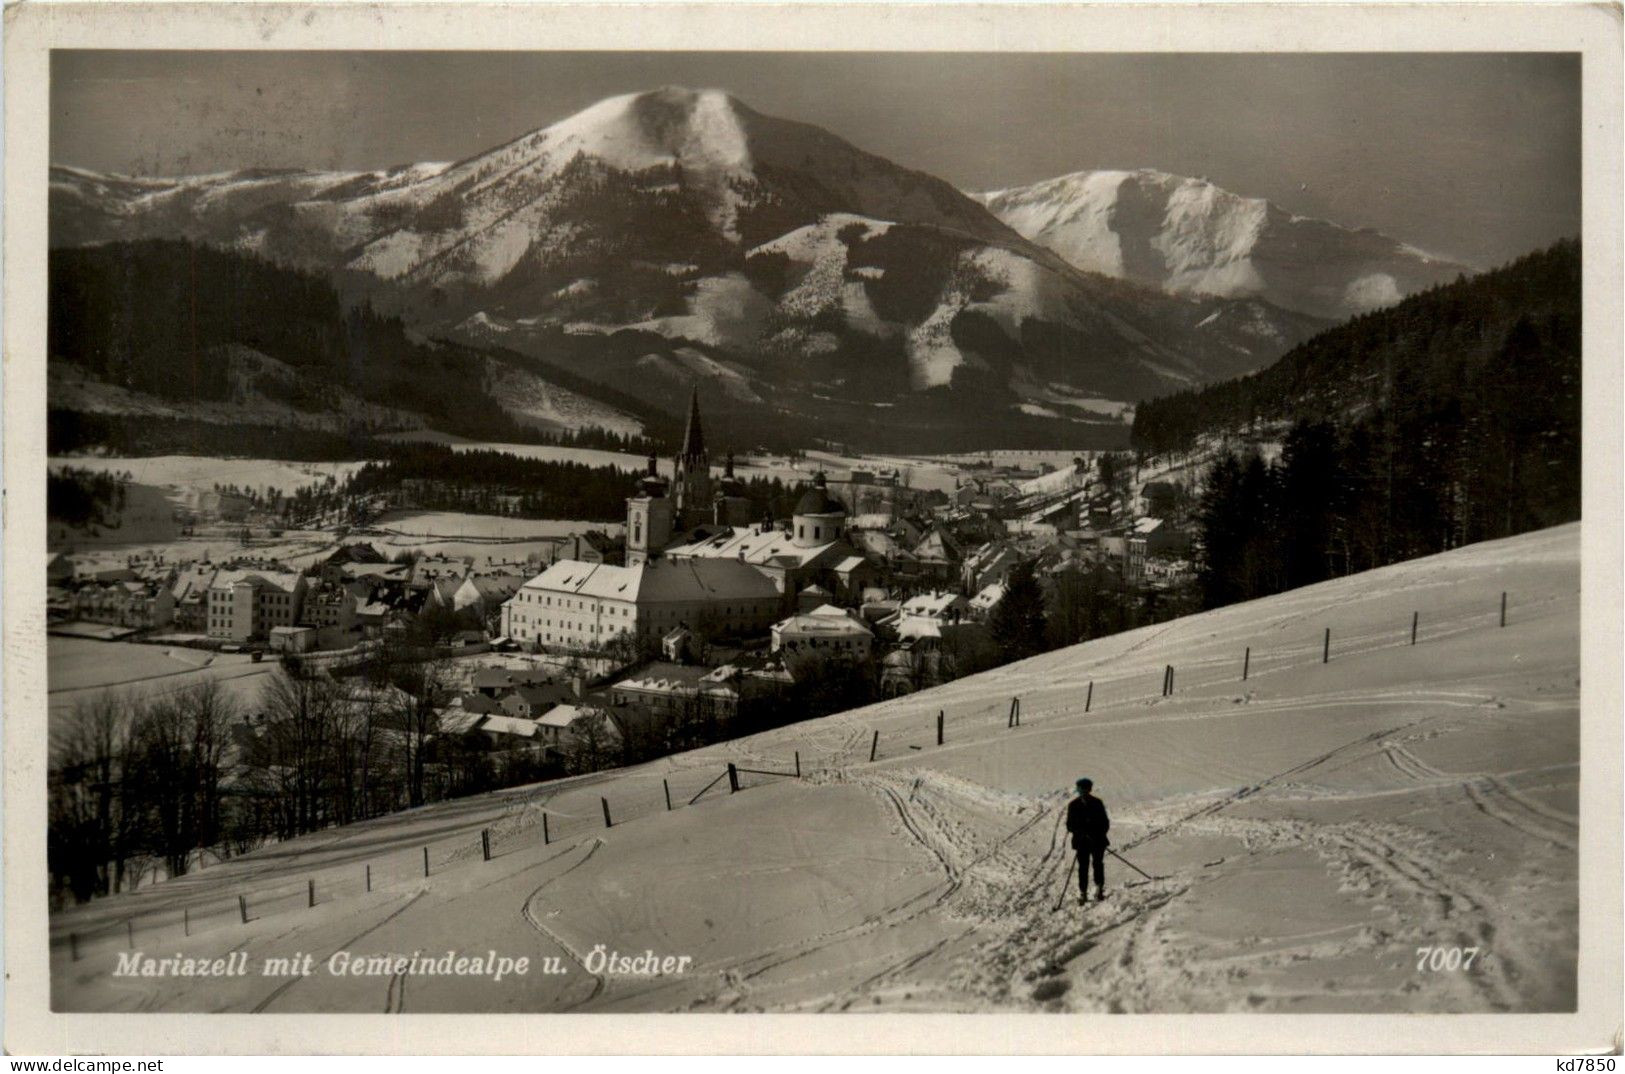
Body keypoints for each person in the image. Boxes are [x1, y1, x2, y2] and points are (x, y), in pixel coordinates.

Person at [1065, 777, 1110, 904]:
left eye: (1084, 789)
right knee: (1083, 868)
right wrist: (1082, 833)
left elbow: (1105, 823)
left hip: (1097, 841)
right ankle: (1083, 893)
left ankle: (1099, 889)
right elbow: (1070, 825)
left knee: (1098, 864)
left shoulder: (1097, 803)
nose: (1082, 791)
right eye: (1080, 789)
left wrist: (1097, 834)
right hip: (1081, 842)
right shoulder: (1073, 805)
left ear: (1089, 789)